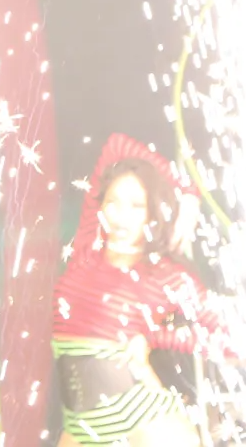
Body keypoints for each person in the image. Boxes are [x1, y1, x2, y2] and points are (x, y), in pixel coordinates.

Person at [52, 133, 236, 447]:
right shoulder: (88, 246)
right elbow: (115, 143)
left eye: (137, 206)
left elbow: (231, 342)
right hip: (81, 425)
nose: (121, 215)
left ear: (153, 213)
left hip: (141, 416)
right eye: (113, 202)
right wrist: (187, 191)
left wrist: (154, 336)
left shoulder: (164, 275)